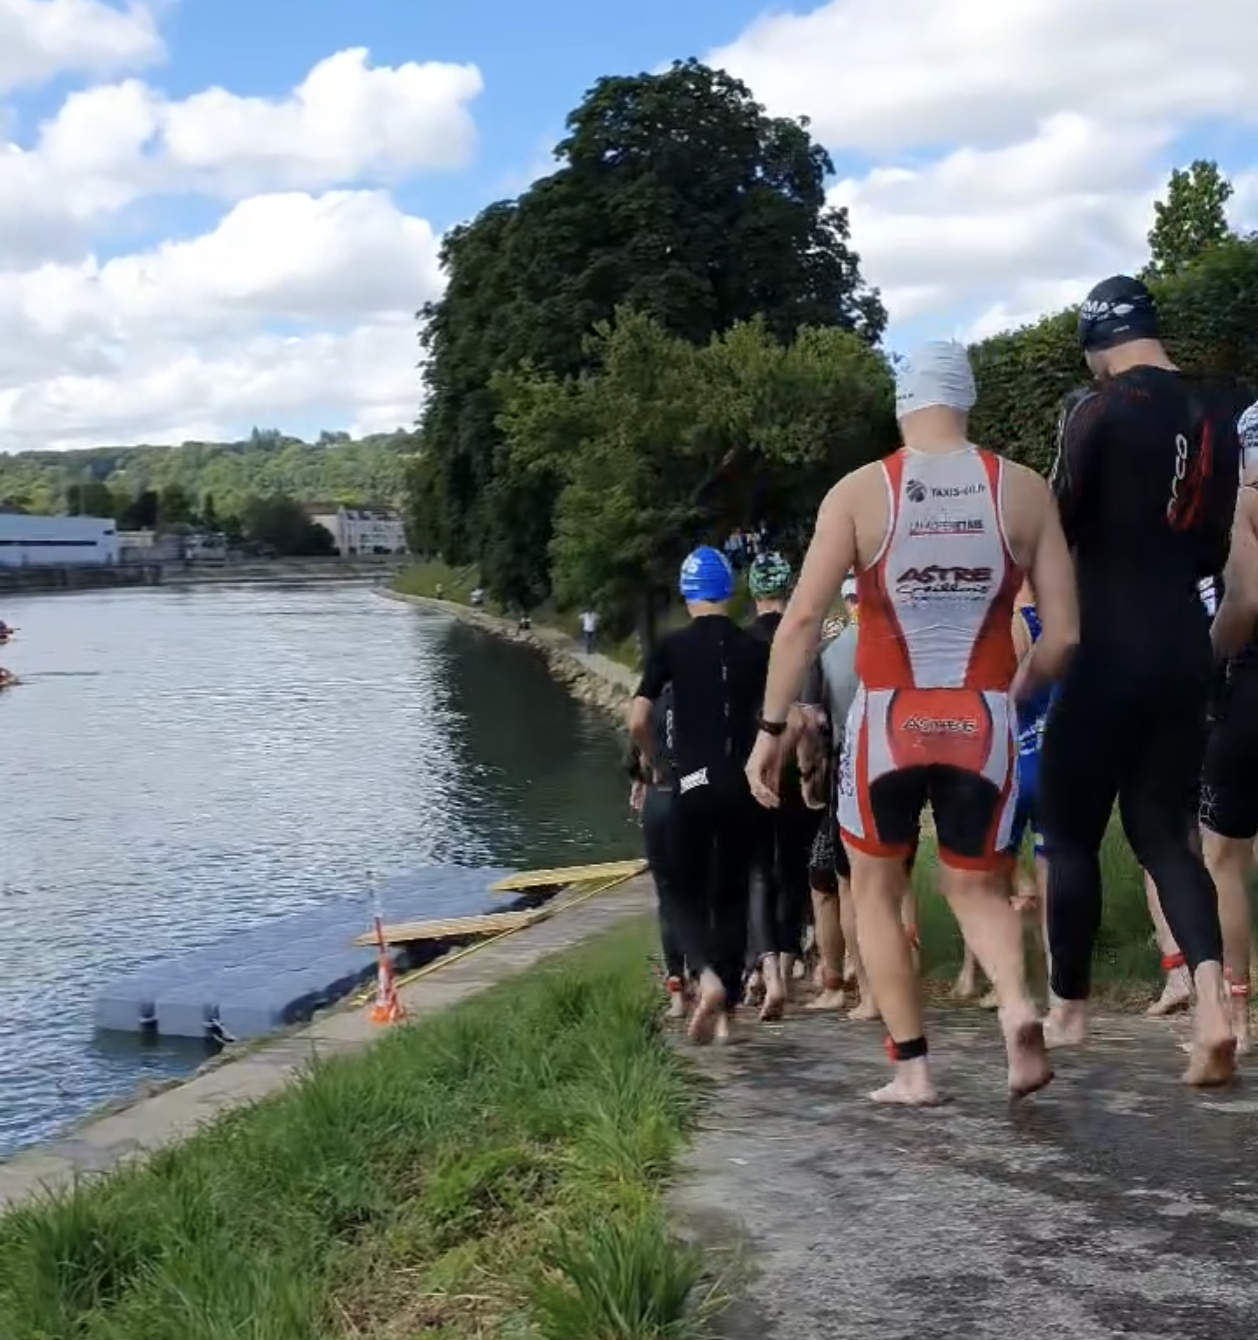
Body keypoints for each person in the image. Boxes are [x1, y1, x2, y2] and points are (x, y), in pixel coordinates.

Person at [747, 339, 1078, 1105]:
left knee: (874, 888)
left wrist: (770, 734)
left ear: (902, 404)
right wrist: (1013, 697)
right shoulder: (1023, 490)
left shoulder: (861, 492)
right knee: (977, 888)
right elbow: (1063, 635)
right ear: (966, 401)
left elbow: (799, 623)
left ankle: (913, 1070)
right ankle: (1020, 1009)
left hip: (887, 719)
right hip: (983, 714)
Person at [1040, 274, 1241, 1085]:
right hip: (1183, 640)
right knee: (1165, 834)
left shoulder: (1097, 411)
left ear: (1096, 346)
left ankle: (1070, 1010)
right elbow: (1212, 548)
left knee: (1070, 830)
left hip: (1105, 642)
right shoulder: (1220, 416)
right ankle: (1214, 1004)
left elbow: (1059, 521)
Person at [629, 545, 772, 1045]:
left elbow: (639, 718)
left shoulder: (670, 646)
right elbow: (784, 717)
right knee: (730, 892)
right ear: (729, 592)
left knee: (678, 888)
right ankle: (728, 1004)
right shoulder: (755, 647)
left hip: (691, 783)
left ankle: (706, 978)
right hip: (741, 785)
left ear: (686, 592)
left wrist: (654, 762)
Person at [1198, 406, 1258, 1052]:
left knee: (1223, 855)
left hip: (1246, 692)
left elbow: (1243, 604)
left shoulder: (1246, 503)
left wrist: (1205, 657)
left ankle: (1238, 1017)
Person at [744, 550, 814, 1019]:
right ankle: (788, 961)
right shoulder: (805, 646)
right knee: (793, 868)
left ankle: (757, 965)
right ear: (788, 591)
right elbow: (812, 712)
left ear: (753, 594)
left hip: (751, 768)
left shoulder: (740, 644)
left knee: (756, 870)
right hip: (796, 771)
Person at [628, 684, 687, 1018]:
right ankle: (710, 977)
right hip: (693, 791)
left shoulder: (653, 693)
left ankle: (677, 988)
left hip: (659, 794)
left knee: (668, 897)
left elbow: (635, 730)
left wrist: (649, 764)